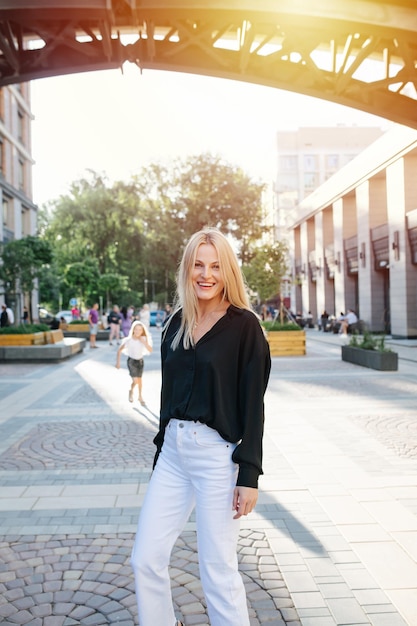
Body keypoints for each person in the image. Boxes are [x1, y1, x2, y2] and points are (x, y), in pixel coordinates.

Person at [130, 227, 271, 626]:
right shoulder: (175, 323)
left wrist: (249, 473)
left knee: (218, 569)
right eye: (198, 264)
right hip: (174, 454)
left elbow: (253, 406)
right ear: (187, 270)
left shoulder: (245, 328)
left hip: (217, 458)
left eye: (215, 266)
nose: (206, 274)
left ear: (227, 272)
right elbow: (167, 397)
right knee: (145, 558)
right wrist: (161, 454)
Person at [115, 320, 153, 404]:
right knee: (135, 380)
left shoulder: (143, 339)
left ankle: (140, 396)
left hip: (140, 361)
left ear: (142, 331)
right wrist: (118, 363)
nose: (138, 331)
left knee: (140, 380)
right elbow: (119, 350)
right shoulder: (128, 340)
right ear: (133, 330)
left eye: (140, 330)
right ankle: (131, 390)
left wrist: (144, 342)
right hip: (131, 361)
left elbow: (150, 350)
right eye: (136, 329)